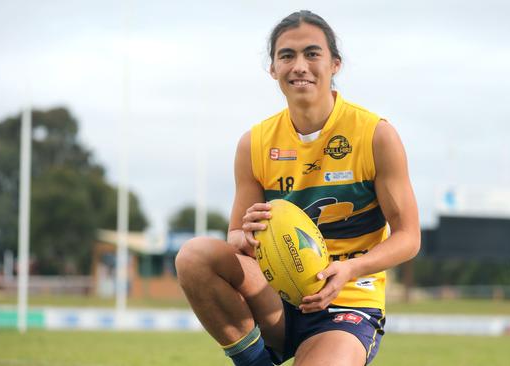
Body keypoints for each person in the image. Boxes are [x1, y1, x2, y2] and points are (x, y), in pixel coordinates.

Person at [176, 10, 420, 366]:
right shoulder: (254, 143)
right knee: (194, 256)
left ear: (335, 64)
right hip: (275, 298)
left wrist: (350, 269)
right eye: (286, 55)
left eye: (312, 53)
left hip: (346, 303)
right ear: (273, 69)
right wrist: (246, 237)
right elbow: (235, 237)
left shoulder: (375, 134)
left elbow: (409, 237)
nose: (299, 65)